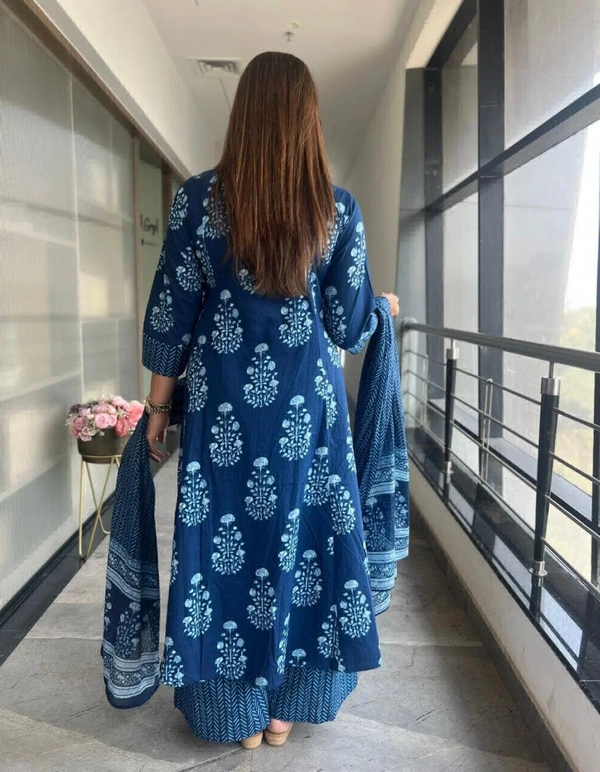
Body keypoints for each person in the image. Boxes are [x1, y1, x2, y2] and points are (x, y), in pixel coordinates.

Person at [141, 51, 400, 749]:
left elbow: (172, 315)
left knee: (221, 551)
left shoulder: (197, 201)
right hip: (307, 417)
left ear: (244, 116)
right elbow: (347, 325)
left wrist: (158, 410)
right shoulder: (335, 211)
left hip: (222, 410)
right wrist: (381, 307)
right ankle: (287, 709)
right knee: (305, 547)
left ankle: (235, 715)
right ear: (307, 121)